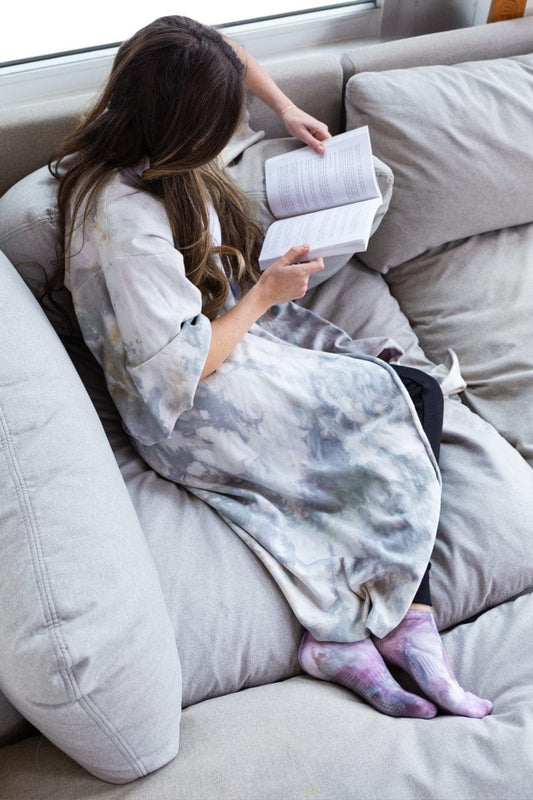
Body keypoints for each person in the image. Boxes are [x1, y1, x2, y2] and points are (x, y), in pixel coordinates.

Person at [50, 15, 492, 720]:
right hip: (193, 412)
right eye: (224, 124)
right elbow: (178, 374)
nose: (238, 129)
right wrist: (261, 295)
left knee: (402, 393)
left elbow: (219, 48)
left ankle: (372, 635)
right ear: (180, 126)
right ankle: (394, 626)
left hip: (224, 347)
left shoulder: (133, 124)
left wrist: (286, 108)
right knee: (406, 398)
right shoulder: (126, 233)